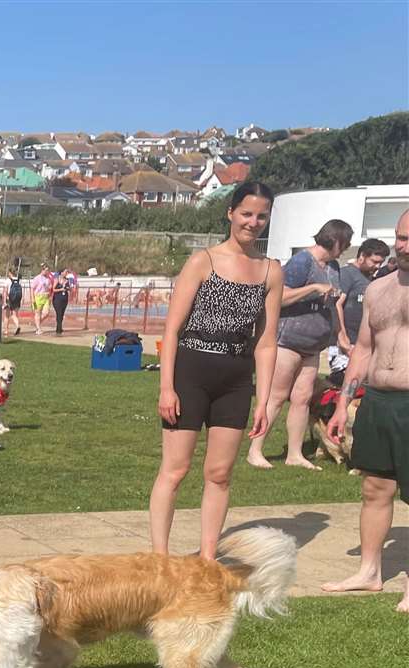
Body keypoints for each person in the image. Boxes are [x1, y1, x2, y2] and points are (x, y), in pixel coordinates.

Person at [149, 181, 281, 559]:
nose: (253, 223)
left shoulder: (271, 271)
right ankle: (160, 558)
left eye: (261, 216)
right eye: (246, 214)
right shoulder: (202, 261)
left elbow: (267, 341)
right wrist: (166, 387)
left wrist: (264, 400)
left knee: (220, 474)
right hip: (191, 371)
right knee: (175, 470)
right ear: (230, 213)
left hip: (236, 378)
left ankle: (208, 557)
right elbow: (171, 330)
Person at [321, 208, 409, 613]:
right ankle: (370, 572)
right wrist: (342, 403)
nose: (402, 245)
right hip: (376, 399)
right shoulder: (379, 289)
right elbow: (363, 350)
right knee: (375, 488)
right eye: (399, 237)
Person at [246, 218, 353, 470]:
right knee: (276, 396)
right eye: (345, 243)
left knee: (302, 399)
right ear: (335, 240)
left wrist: (341, 334)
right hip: (288, 340)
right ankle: (255, 450)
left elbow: (334, 303)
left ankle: (294, 454)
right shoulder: (302, 261)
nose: (346, 248)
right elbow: (278, 296)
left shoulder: (334, 267)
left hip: (314, 344)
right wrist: (313, 287)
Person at [332, 238, 389, 380]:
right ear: (362, 256)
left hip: (361, 344)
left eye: (381, 263)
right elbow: (336, 304)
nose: (377, 266)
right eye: (374, 262)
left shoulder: (370, 280)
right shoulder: (347, 274)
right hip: (346, 344)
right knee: (342, 385)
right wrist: (342, 338)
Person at [50, 265, 76, 335]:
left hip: (64, 299)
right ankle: (58, 329)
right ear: (61, 272)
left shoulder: (67, 280)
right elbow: (53, 289)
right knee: (58, 313)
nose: (66, 273)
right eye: (65, 272)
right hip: (57, 299)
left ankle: (59, 327)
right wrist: (61, 289)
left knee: (62, 314)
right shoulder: (57, 279)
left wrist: (70, 289)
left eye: (67, 272)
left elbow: (70, 289)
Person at [31, 263, 53, 334]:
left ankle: (37, 324)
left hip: (46, 296)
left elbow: (50, 287)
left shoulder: (48, 278)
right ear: (42, 270)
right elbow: (32, 288)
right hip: (38, 296)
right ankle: (38, 328)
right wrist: (32, 298)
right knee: (38, 313)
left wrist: (49, 289)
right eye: (46, 270)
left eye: (48, 270)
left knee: (46, 313)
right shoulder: (37, 278)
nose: (47, 272)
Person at [4, 266, 23, 335]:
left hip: (10, 299)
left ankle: (6, 330)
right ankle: (17, 326)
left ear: (10, 273)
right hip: (17, 299)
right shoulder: (19, 280)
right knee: (14, 314)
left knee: (7, 315)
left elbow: (5, 292)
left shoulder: (8, 280)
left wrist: (4, 301)